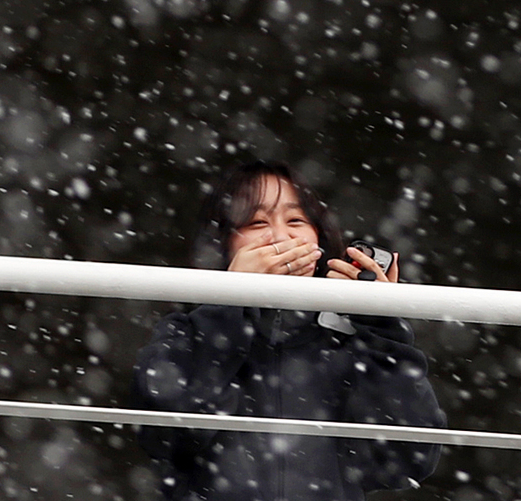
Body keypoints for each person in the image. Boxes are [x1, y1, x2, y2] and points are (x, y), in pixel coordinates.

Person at [132, 160, 445, 501]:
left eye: (296, 220)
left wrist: (384, 327)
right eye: (256, 222)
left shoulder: (350, 344)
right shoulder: (187, 332)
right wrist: (227, 301)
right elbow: (165, 436)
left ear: (320, 241)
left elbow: (408, 461)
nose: (281, 236)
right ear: (222, 246)